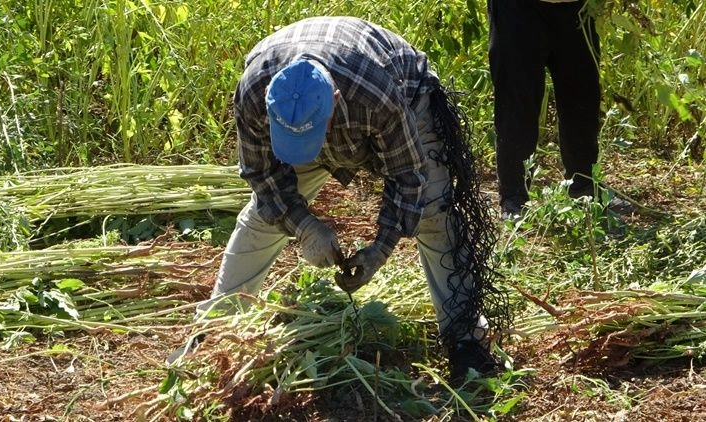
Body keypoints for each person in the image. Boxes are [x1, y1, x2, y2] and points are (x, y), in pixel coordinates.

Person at [172, 16, 508, 378]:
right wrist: (304, 227)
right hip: (329, 109)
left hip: (407, 99)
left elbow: (409, 176)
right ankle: (213, 330)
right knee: (261, 220)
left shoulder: (375, 95)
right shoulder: (255, 92)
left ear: (334, 101)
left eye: (309, 136)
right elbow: (262, 175)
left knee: (433, 214)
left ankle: (466, 340)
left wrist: (380, 250)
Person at [488, 0, 611, 217]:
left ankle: (584, 188)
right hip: (515, 10)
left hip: (577, 9)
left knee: (582, 99)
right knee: (516, 104)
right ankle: (514, 198)